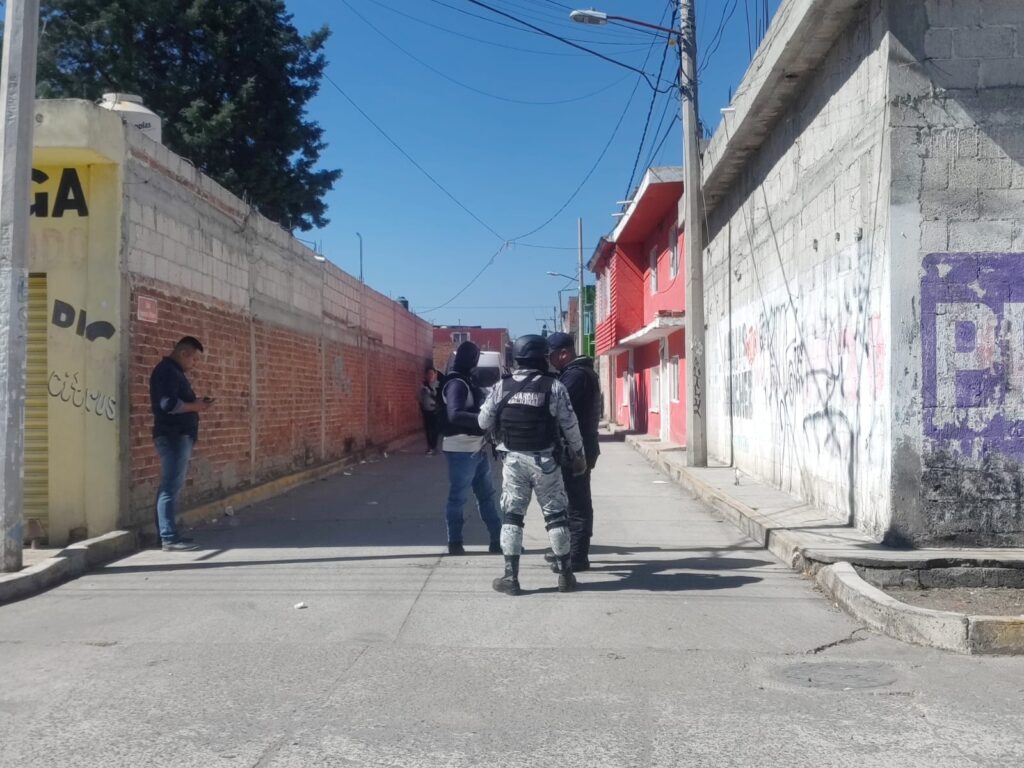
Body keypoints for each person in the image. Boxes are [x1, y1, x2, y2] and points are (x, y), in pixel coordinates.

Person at [479, 334, 586, 595]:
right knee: (556, 517)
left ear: (517, 357)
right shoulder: (555, 386)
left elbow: (483, 422)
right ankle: (565, 577)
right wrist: (579, 455)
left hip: (513, 461)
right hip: (546, 461)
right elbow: (570, 425)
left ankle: (511, 579)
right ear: (541, 357)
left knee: (512, 518)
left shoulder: (500, 387)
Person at [149, 336, 213, 552]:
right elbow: (168, 404)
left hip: (174, 435)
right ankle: (168, 537)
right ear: (183, 353)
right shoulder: (168, 372)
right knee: (170, 487)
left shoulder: (171, 372)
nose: (193, 364)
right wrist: (196, 406)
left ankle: (165, 534)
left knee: (167, 486)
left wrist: (196, 406)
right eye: (193, 359)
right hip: (174, 435)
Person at [546, 332, 602, 571]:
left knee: (577, 503)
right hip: (577, 447)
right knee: (572, 500)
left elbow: (555, 408)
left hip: (577, 450)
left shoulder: (576, 377)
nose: (549, 360)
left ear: (564, 353)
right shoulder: (576, 374)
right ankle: (569, 550)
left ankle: (578, 557)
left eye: (551, 355)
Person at [440, 341, 503, 555]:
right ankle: (455, 543)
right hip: (460, 449)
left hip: (475, 447)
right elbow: (454, 414)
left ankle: (498, 540)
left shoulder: (466, 381)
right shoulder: (457, 383)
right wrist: (483, 420)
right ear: (472, 360)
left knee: (487, 496)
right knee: (458, 497)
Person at [418, 367, 440, 455]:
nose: (430, 375)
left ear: (435, 374)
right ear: (426, 375)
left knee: (435, 429)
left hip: (436, 410)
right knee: (428, 429)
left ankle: (434, 446)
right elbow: (419, 398)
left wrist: (431, 393)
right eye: (428, 374)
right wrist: (421, 408)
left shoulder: (438, 385)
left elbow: (440, 398)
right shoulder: (422, 385)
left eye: (432, 373)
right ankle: (430, 446)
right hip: (426, 410)